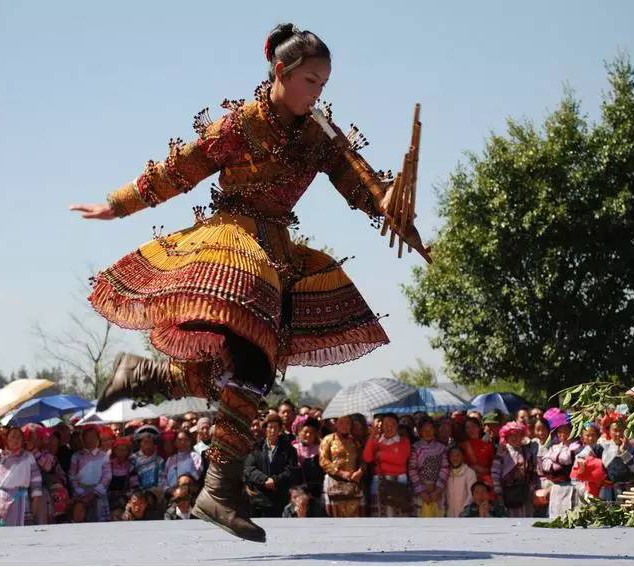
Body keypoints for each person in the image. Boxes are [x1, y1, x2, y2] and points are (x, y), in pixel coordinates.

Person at [70, 21, 427, 542]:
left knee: (253, 374)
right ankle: (218, 488)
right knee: (253, 362)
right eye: (310, 80)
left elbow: (364, 183)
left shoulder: (321, 134)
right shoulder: (240, 124)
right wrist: (118, 204)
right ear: (280, 72)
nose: (317, 93)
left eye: (323, 84)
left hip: (277, 253)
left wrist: (400, 216)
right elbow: (180, 168)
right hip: (231, 244)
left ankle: (151, 383)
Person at [0, 427, 43, 527]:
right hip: (1, 499)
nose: (16, 440)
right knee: (2, 532)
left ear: (23, 440)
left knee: (23, 532)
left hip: (22, 499)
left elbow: (36, 479)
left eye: (19, 437)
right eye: (13, 436)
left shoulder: (28, 456)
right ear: (7, 439)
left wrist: (36, 499)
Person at [244, 414, 298, 517]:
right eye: (270, 427)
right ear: (265, 429)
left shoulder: (289, 450)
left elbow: (291, 471)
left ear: (280, 429)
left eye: (275, 428)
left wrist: (275, 480)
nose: (272, 431)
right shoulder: (256, 448)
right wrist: (264, 480)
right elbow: (249, 469)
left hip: (280, 498)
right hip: (259, 499)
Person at [363, 413, 411, 517]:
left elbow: (401, 459)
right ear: (381, 426)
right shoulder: (376, 441)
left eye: (393, 424)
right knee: (380, 515)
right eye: (386, 424)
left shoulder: (404, 441)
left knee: (400, 514)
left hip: (399, 482)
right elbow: (367, 458)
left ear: (397, 426)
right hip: (379, 482)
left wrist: (381, 454)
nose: (389, 427)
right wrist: (372, 435)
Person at [319, 415, 364, 518]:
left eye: (348, 422)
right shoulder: (328, 439)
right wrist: (341, 473)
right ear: (336, 424)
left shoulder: (355, 441)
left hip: (353, 482)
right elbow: (323, 461)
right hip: (334, 482)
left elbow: (363, 460)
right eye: (342, 422)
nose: (345, 425)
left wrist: (360, 471)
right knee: (335, 515)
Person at [491, 421, 536, 517]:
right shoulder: (502, 452)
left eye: (518, 435)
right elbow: (495, 473)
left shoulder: (527, 452)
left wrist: (532, 491)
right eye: (511, 435)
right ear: (506, 437)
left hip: (525, 495)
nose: (515, 438)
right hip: (507, 495)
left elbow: (531, 473)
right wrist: (498, 493)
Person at [69, 425, 112, 522]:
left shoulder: (104, 456)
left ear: (98, 438)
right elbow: (72, 476)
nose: (90, 440)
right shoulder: (76, 456)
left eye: (93, 437)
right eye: (87, 437)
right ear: (82, 439)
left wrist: (94, 493)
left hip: (98, 495)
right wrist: (80, 491)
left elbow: (107, 477)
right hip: (80, 495)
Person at [541, 414, 581, 518]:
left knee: (569, 514)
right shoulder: (554, 447)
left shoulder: (576, 446)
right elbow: (545, 465)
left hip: (571, 487)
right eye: (559, 431)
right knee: (555, 516)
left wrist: (553, 458)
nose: (562, 434)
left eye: (565, 431)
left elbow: (567, 459)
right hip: (556, 488)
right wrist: (558, 462)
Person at [408, 417, 449, 517]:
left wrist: (438, 490)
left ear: (434, 430)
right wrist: (421, 491)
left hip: (438, 492)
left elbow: (445, 468)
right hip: (421, 492)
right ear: (419, 432)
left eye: (430, 429)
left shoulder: (442, 448)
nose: (427, 432)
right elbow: (412, 469)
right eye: (424, 430)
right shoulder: (415, 448)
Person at [161, 430, 203, 498]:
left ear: (190, 441)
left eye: (185, 439)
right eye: (180, 439)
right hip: (171, 495)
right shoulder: (170, 459)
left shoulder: (195, 456)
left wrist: (184, 486)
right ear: (175, 443)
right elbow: (163, 477)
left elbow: (197, 474)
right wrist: (168, 490)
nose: (182, 442)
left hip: (188, 494)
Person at [291, 415, 323, 500]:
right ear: (298, 432)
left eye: (312, 432)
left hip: (316, 493)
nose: (308, 435)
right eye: (305, 432)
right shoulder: (292, 449)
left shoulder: (320, 449)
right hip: (298, 493)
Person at [459, 417, 494, 488]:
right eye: (467, 427)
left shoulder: (488, 446)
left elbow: (493, 468)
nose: (471, 430)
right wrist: (472, 468)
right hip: (467, 482)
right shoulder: (461, 446)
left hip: (484, 483)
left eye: (473, 426)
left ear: (479, 428)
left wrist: (481, 470)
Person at [445, 445, 477, 518]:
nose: (455, 458)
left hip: (465, 515)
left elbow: (471, 495)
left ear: (463, 457)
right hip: (449, 515)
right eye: (452, 456)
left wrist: (464, 512)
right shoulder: (446, 473)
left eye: (458, 455)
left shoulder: (470, 473)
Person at [108, 436, 138, 509]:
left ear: (128, 452)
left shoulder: (130, 466)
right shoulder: (108, 465)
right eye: (119, 449)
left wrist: (126, 497)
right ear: (114, 450)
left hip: (125, 499)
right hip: (109, 498)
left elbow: (134, 486)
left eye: (124, 450)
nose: (122, 452)